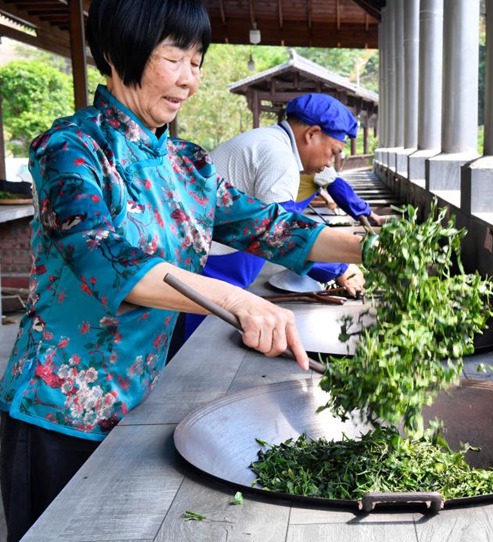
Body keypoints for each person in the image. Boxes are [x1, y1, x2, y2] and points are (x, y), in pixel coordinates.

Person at [0, 1, 370, 539]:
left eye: (196, 62)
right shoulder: (71, 148)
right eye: (174, 58)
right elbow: (102, 257)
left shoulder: (185, 164)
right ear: (116, 52)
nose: (189, 80)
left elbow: (271, 227)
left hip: (145, 399)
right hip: (61, 414)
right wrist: (238, 300)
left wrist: (377, 251)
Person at [181, 94, 373, 338]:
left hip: (217, 257)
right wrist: (341, 268)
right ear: (312, 133)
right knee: (193, 353)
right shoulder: (279, 156)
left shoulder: (271, 141)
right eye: (333, 151)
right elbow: (283, 232)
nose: (330, 162)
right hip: (204, 267)